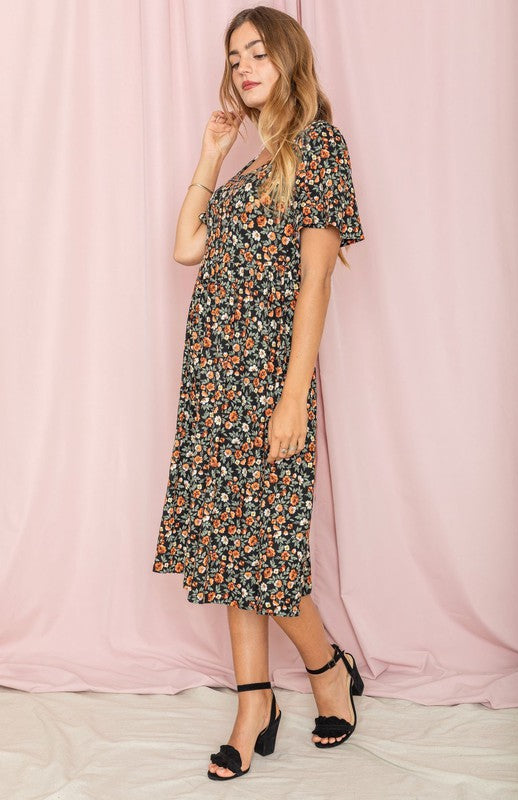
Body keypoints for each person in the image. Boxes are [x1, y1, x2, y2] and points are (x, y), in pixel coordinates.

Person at [152, 6, 366, 781]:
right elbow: (184, 248)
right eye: (233, 56)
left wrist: (291, 396)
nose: (243, 68)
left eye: (257, 54)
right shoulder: (250, 168)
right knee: (228, 549)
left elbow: (315, 282)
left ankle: (327, 671)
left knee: (265, 556)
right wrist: (211, 153)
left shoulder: (319, 148)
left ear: (287, 59)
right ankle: (253, 708)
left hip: (268, 380)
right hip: (213, 384)